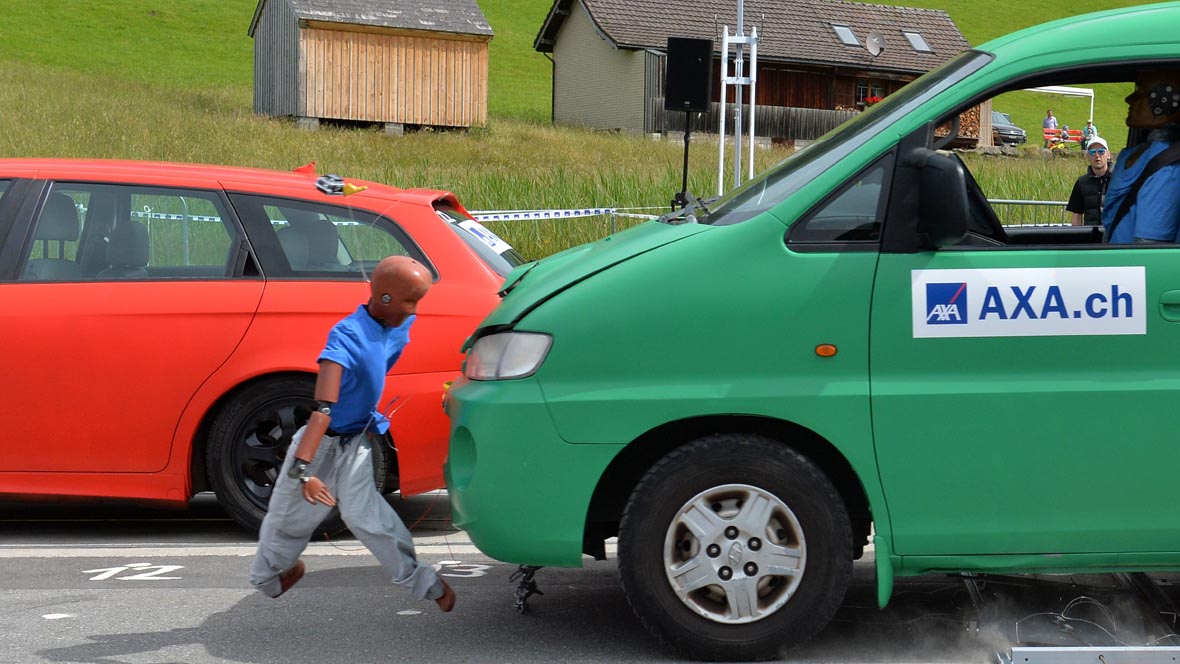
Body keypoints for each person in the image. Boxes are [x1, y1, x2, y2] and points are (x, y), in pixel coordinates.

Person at [249, 255, 456, 612]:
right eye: (410, 301)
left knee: (368, 517)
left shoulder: (399, 323)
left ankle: (426, 583)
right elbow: (322, 411)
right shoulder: (347, 336)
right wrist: (305, 473)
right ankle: (273, 577)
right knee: (287, 517)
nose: (415, 310)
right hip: (320, 447)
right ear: (386, 298)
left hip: (358, 440)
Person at [1102, 71, 1180, 243]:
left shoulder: (1168, 167)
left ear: (1164, 101)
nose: (1128, 99)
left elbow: (1148, 248)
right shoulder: (1131, 154)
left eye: (1139, 93)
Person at [1067, 136, 1113, 226]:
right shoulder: (1081, 182)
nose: (1097, 155)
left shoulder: (1120, 180)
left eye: (1101, 151)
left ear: (1108, 155)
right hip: (1091, 236)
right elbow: (1077, 214)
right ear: (1088, 156)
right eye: (1092, 152)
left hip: (1115, 236)